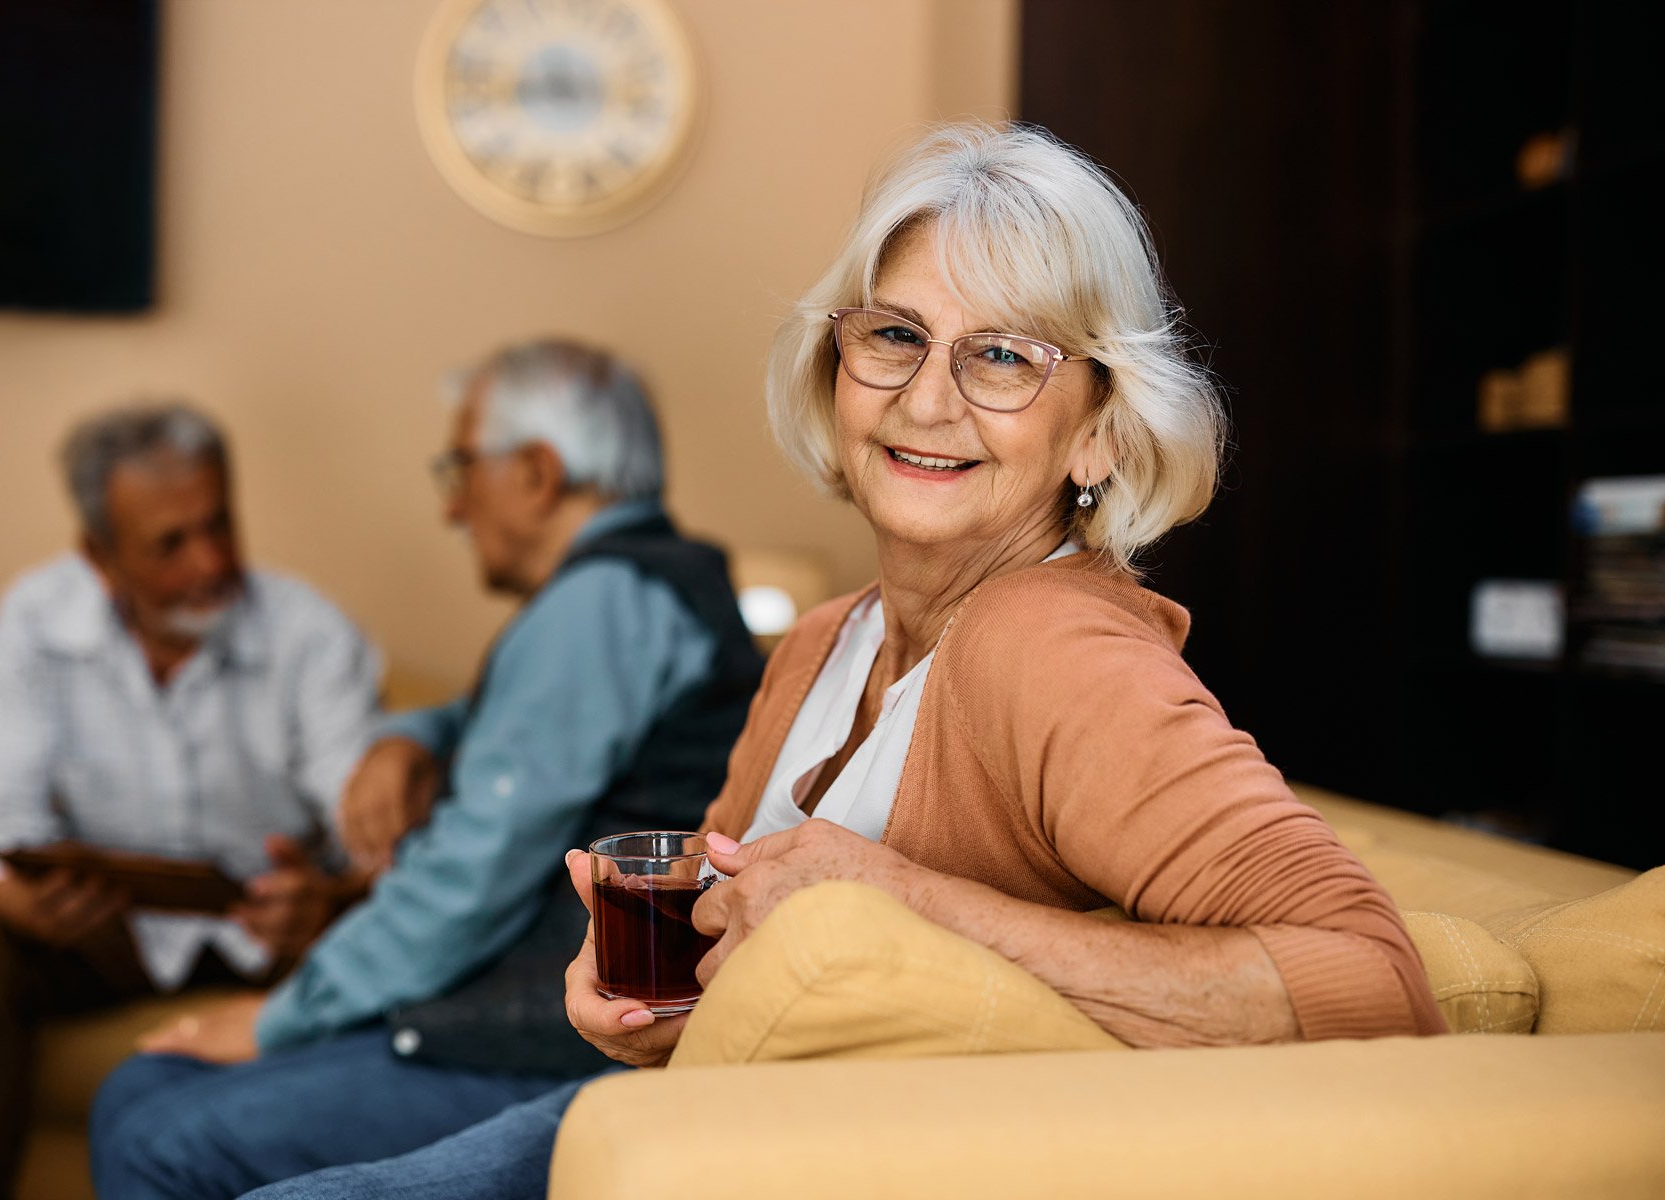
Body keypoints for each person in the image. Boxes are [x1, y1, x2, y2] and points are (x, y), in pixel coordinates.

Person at [222, 120, 1446, 1200]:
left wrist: (904, 900)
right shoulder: (821, 642)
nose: (927, 400)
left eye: (1005, 356)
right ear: (835, 370)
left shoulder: (1052, 647)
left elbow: (1374, 984)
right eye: (896, 336)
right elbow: (752, 966)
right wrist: (649, 995)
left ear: (1100, 436)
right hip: (701, 1134)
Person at [89, 340, 765, 1199]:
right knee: (142, 1090)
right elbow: (508, 727)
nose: (451, 508)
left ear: (536, 472)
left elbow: (465, 880)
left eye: (461, 469)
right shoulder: (641, 589)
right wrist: (415, 733)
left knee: (159, 1137)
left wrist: (279, 1017)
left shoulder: (596, 607)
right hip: (515, 1016)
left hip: (548, 1047)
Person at [0, 403, 382, 1200]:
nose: (211, 561)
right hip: (105, 927)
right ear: (99, 554)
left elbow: (366, 825)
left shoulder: (312, 633)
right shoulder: (35, 617)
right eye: (172, 542)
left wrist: (327, 898)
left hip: (266, 925)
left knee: (374, 955)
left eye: (219, 524)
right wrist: (15, 897)